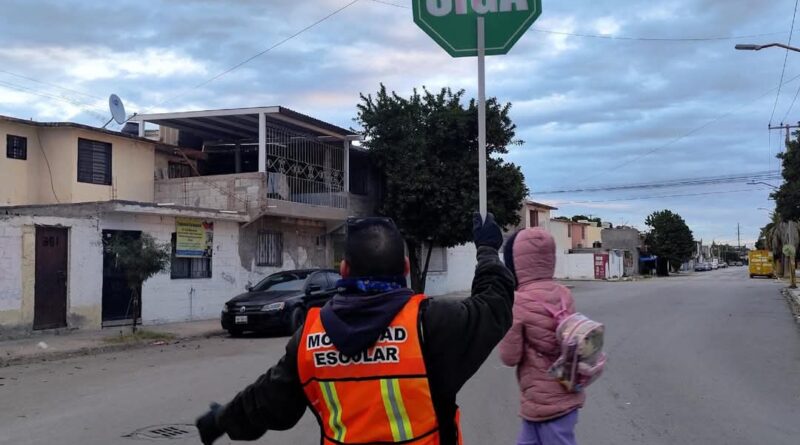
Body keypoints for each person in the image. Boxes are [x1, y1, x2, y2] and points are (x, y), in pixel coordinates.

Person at [195, 214, 515, 445]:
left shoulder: (309, 337)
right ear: (405, 269)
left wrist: (220, 419)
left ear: (344, 270)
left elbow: (267, 403)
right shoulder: (432, 323)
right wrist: (487, 250)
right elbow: (494, 304)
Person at [498, 227, 585, 445]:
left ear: (517, 262)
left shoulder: (518, 302)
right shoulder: (564, 294)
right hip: (563, 392)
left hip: (545, 403)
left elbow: (509, 357)